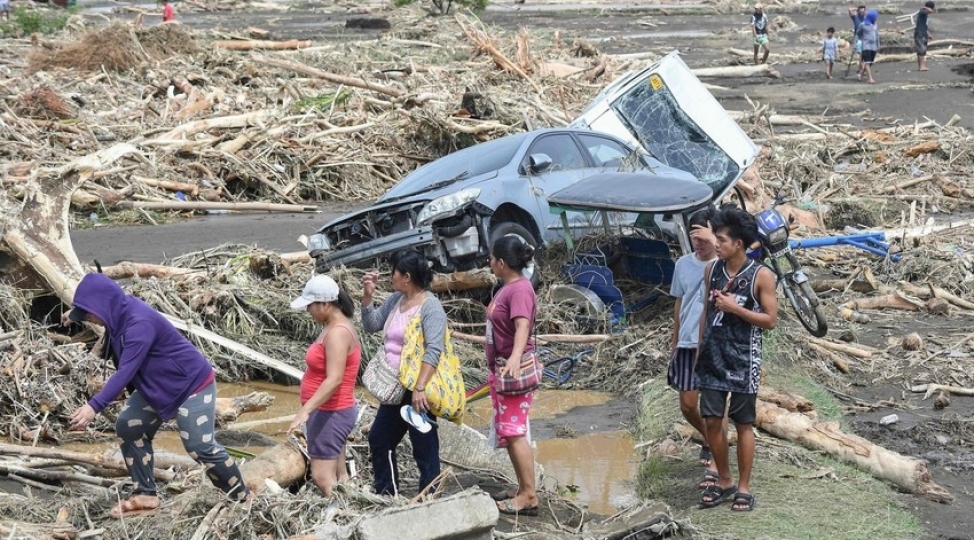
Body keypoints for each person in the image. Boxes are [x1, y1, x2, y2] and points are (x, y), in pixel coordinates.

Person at [66, 273, 249, 517]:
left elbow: (125, 372)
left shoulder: (138, 323)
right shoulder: (117, 314)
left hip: (191, 385)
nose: (89, 319)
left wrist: (93, 407)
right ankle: (145, 494)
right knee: (129, 425)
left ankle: (241, 497)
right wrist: (73, 314)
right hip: (158, 386)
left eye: (88, 314)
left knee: (199, 446)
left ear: (103, 306)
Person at [695, 208, 778, 512]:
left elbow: (770, 320)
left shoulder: (762, 276)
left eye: (721, 239)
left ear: (739, 244)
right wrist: (698, 350)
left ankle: (744, 487)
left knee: (743, 423)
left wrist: (735, 309)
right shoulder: (712, 270)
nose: (715, 243)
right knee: (713, 419)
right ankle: (725, 480)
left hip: (744, 359)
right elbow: (706, 312)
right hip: (713, 356)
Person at [362, 249, 446, 497]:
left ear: (406, 277)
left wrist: (420, 387)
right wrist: (367, 298)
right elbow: (372, 325)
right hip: (395, 386)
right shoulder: (396, 300)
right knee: (380, 439)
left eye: (393, 273)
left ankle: (429, 497)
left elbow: (434, 349)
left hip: (418, 388)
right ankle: (387, 494)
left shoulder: (430, 307)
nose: (391, 277)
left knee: (424, 447)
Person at [288, 275, 361, 497]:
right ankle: (348, 511)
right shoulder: (334, 326)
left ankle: (341, 520)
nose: (308, 310)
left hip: (332, 412)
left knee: (321, 476)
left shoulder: (338, 332)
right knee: (339, 476)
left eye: (310, 305)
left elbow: (334, 378)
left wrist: (305, 410)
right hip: (331, 412)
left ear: (325, 304)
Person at [668, 208, 724, 490]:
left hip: (714, 344)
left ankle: (717, 460)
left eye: (703, 237)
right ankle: (710, 438)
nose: (698, 243)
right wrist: (675, 339)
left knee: (715, 407)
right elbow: (679, 304)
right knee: (688, 405)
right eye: (694, 238)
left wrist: (715, 243)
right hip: (688, 342)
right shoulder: (682, 265)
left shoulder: (724, 265)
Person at [485, 235, 539, 516]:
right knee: (509, 431)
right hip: (503, 369)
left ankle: (529, 495)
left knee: (515, 432)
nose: (490, 263)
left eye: (492, 259)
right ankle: (522, 487)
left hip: (513, 371)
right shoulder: (508, 287)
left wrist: (516, 357)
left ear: (502, 263)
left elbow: (522, 326)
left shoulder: (519, 290)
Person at [857, 9, 880, 83]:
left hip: (873, 47)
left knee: (870, 62)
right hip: (866, 46)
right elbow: (858, 33)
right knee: (867, 62)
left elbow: (877, 35)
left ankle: (861, 74)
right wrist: (862, 39)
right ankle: (869, 78)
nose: (876, 18)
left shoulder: (875, 25)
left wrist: (878, 45)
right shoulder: (863, 25)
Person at [915, 1, 935, 71]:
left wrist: (928, 34)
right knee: (921, 50)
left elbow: (924, 25)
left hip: (923, 33)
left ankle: (922, 66)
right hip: (919, 34)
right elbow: (930, 11)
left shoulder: (925, 15)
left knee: (923, 51)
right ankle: (921, 67)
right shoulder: (922, 12)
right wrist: (925, 7)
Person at [848, 5, 867, 75]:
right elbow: (850, 9)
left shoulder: (866, 18)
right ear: (858, 12)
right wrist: (857, 9)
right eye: (861, 11)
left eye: (864, 11)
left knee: (864, 55)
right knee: (860, 55)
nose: (862, 13)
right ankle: (861, 69)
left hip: (865, 38)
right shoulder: (855, 17)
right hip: (858, 38)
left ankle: (862, 69)